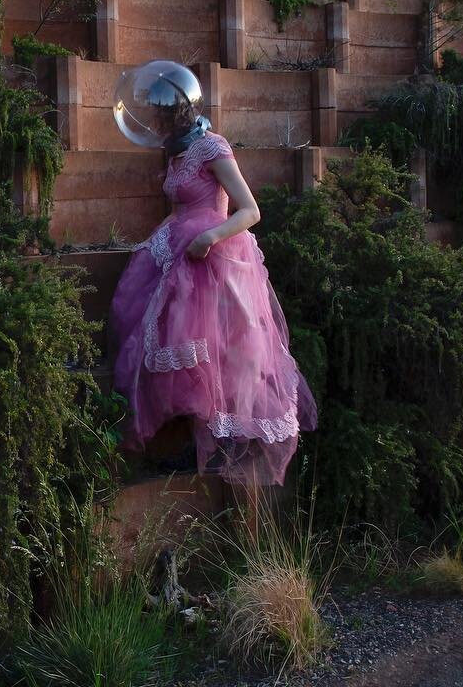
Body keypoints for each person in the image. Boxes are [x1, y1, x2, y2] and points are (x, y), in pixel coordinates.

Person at [108, 64, 316, 487]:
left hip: (213, 257)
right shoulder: (176, 151)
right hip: (175, 253)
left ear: (178, 112)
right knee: (152, 332)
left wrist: (210, 236)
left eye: (161, 113)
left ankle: (216, 446)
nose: (156, 120)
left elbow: (250, 210)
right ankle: (185, 441)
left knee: (219, 352)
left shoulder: (211, 146)